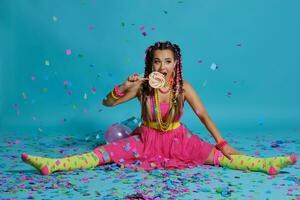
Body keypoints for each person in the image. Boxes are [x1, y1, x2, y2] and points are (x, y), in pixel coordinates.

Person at [21, 41, 297, 176]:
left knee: (220, 158)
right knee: (101, 154)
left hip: (180, 140)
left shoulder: (183, 88)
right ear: (149, 66)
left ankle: (265, 165)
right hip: (145, 139)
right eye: (156, 62)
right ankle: (53, 165)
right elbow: (107, 102)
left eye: (167, 61)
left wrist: (222, 142)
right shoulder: (142, 87)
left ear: (176, 64)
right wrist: (123, 85)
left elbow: (202, 114)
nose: (161, 67)